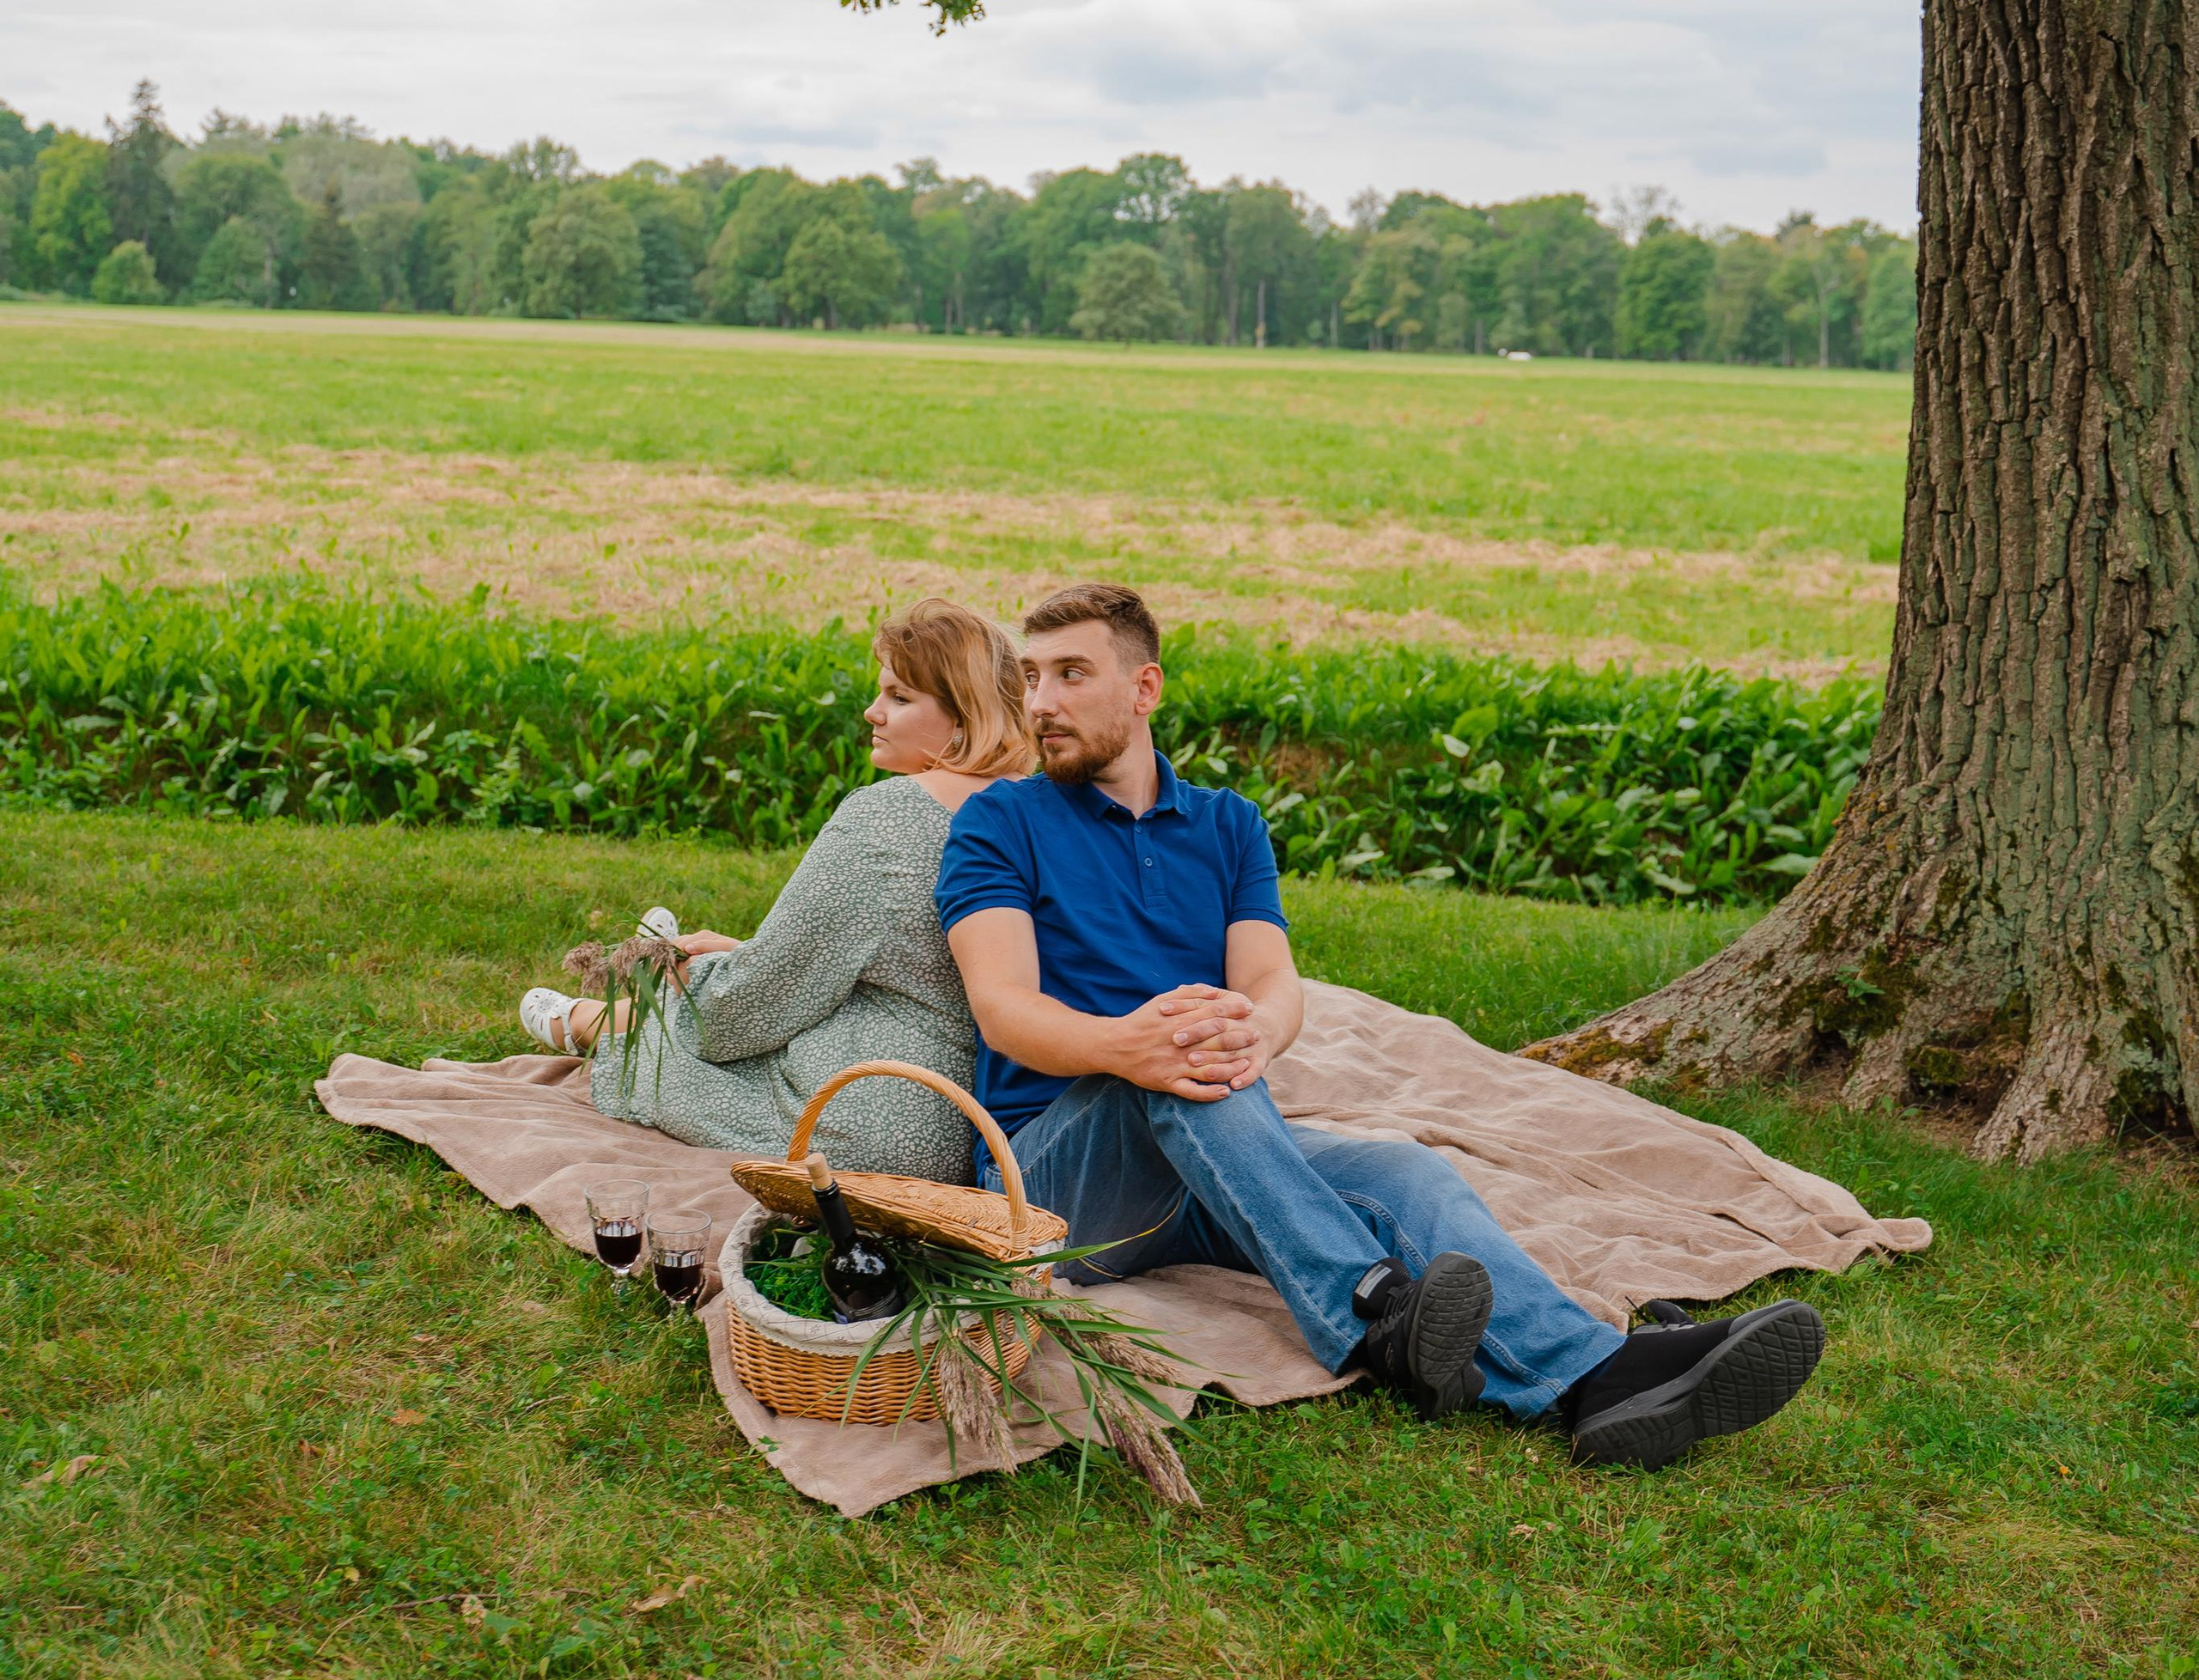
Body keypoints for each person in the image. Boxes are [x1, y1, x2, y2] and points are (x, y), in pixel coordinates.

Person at [935, 582, 1826, 1470]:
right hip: (1056, 1186)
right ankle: (1371, 1315)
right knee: (1189, 1063)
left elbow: (1270, 982)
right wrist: (1130, 1047)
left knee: (1404, 1171)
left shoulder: (1227, 825)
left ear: (1145, 688)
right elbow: (1005, 1011)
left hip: (1214, 1158)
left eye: (1071, 674)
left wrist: (1260, 1032)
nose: (1041, 702)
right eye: (1032, 676)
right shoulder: (999, 822)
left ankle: (1596, 1378)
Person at [515, 599, 1034, 1179]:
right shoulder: (1040, 809)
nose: (872, 712)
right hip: (986, 1129)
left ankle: (594, 1020)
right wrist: (744, 953)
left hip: (862, 1122)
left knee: (696, 1047)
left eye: (899, 697)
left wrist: (701, 977)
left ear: (965, 715)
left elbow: (752, 1006)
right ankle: (640, 998)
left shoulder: (886, 819)